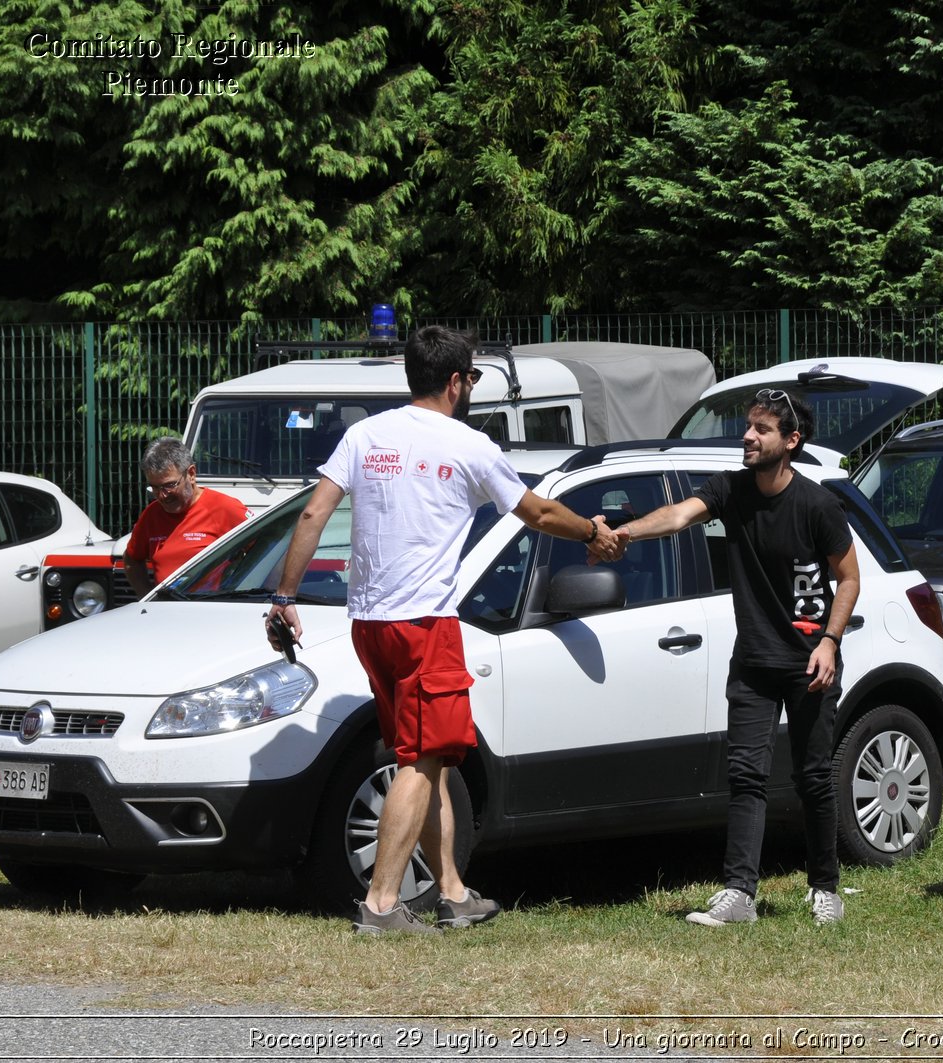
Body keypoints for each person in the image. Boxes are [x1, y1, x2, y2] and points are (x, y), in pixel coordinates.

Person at [266, 325, 622, 936]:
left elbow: (314, 511)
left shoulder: (365, 434)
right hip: (424, 623)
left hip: (371, 625)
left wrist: (284, 595)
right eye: (473, 380)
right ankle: (381, 905)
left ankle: (453, 890)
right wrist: (593, 533)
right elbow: (535, 512)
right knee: (423, 759)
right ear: (457, 382)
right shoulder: (468, 445)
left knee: (431, 757)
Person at [611, 389, 860, 927]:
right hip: (753, 663)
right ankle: (739, 895)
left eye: (762, 429)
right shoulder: (731, 490)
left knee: (813, 777)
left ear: (791, 442)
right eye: (749, 426)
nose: (748, 436)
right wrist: (625, 531)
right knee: (746, 776)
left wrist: (829, 641)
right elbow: (680, 515)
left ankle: (825, 889)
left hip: (808, 664)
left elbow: (849, 578)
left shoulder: (817, 505)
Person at [123, 437, 251, 595]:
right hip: (167, 613)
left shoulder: (224, 508)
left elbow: (269, 546)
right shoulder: (152, 515)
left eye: (169, 485)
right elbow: (131, 559)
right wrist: (146, 595)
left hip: (214, 611)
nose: (162, 496)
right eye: (155, 487)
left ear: (191, 474)